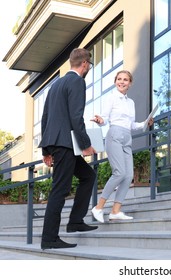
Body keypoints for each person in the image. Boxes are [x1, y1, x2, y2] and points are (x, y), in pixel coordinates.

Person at [39, 48, 98, 250]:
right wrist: (86, 145)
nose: (89, 68)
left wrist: (46, 150)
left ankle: (75, 221)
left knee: (88, 176)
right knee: (60, 190)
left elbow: (45, 119)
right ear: (84, 64)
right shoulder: (77, 81)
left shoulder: (55, 85)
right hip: (66, 144)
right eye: (89, 64)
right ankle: (49, 238)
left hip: (59, 143)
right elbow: (76, 117)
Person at [90, 70, 153, 223]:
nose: (122, 82)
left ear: (130, 83)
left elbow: (131, 124)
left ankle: (115, 211)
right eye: (119, 79)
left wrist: (145, 123)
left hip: (127, 137)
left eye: (125, 80)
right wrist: (100, 120)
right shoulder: (111, 98)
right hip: (115, 135)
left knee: (128, 175)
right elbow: (105, 118)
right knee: (119, 173)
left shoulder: (130, 102)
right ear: (115, 81)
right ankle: (98, 207)